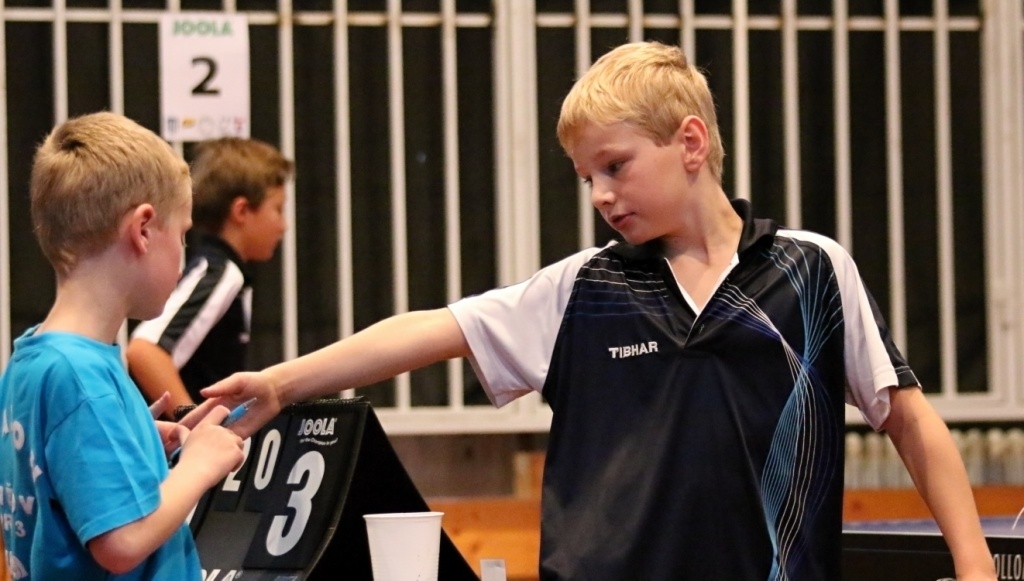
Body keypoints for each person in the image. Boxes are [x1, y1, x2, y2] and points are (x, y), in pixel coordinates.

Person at [200, 41, 996, 580]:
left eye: (615, 166)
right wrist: (281, 383)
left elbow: (911, 420)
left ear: (691, 143)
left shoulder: (813, 270)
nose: (601, 195)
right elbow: (431, 329)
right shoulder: (581, 289)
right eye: (587, 178)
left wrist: (974, 566)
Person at [0, 112, 245, 579]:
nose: (183, 256)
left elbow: (62, 477)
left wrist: (135, 439)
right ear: (143, 229)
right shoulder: (80, 377)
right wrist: (199, 465)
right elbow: (122, 542)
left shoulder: (30, 362)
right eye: (183, 235)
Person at [126, 137, 291, 416]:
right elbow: (145, 351)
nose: (283, 225)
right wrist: (195, 423)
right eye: (277, 209)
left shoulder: (222, 271)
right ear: (241, 211)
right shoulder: (221, 273)